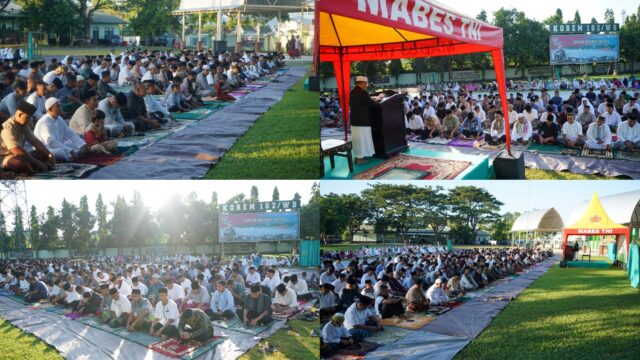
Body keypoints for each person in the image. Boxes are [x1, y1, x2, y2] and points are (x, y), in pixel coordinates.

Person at [0, 101, 54, 175]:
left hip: (21, 156)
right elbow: (17, 151)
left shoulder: (24, 125)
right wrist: (38, 163)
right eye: (28, 118)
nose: (29, 121)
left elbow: (36, 142)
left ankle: (33, 168)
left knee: (43, 154)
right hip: (6, 158)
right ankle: (32, 169)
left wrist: (49, 154)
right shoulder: (7, 127)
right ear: (20, 115)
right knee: (22, 163)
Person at [34, 98, 87, 162]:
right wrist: (69, 150)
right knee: (60, 152)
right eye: (57, 107)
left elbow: (70, 134)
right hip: (47, 149)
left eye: (60, 106)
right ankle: (70, 159)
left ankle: (73, 155)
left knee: (76, 145)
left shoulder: (59, 119)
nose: (60, 109)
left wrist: (83, 144)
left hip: (60, 146)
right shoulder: (44, 122)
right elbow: (51, 142)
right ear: (50, 109)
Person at [349, 76, 380, 164]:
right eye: (366, 84)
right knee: (362, 140)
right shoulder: (363, 93)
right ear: (362, 84)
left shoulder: (352, 92)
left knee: (357, 140)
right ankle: (360, 158)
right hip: (362, 121)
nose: (366, 86)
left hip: (354, 121)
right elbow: (371, 103)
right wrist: (379, 101)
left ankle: (358, 156)